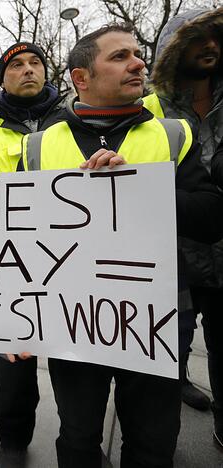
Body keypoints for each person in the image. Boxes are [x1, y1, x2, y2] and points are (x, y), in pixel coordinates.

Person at [20, 24, 223, 468]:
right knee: (77, 437)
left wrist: (138, 189)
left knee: (152, 443)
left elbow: (211, 217)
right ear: (81, 78)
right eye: (120, 56)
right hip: (72, 320)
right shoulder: (37, 146)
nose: (138, 62)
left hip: (157, 318)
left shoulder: (173, 135)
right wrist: (13, 320)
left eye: (137, 53)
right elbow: (18, 240)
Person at [0, 41, 65, 463]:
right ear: (3, 78)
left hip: (69, 267)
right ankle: (13, 439)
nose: (27, 70)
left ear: (46, 72)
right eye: (16, 65)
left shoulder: (75, 121)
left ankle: (78, 442)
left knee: (75, 368)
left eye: (35, 62)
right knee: (11, 370)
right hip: (9, 274)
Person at [144, 7, 223, 421]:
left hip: (221, 246)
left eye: (215, 36)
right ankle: (177, 380)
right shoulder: (148, 109)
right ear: (174, 49)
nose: (210, 44)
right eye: (197, 37)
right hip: (173, 254)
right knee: (174, 335)